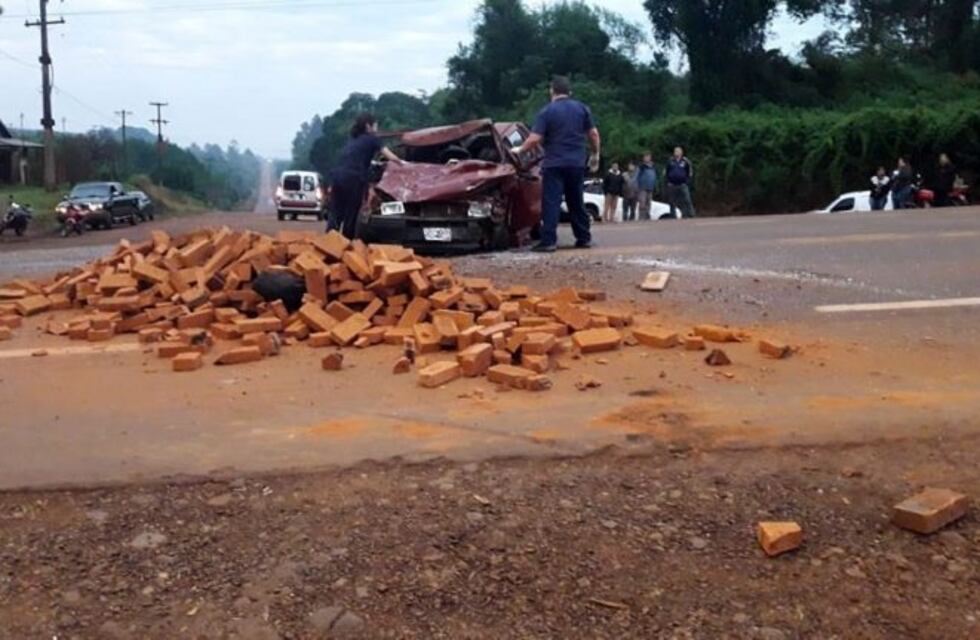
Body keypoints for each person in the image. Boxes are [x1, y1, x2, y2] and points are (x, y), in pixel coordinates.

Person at [511, 76, 601, 252]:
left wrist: (519, 150)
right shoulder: (582, 109)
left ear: (551, 91)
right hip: (576, 163)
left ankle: (549, 241)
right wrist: (595, 154)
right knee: (576, 200)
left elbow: (535, 139)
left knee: (551, 202)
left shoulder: (547, 112)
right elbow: (594, 134)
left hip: (554, 164)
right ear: (569, 92)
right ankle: (583, 238)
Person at [328, 113, 401, 238]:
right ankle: (346, 246)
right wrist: (404, 163)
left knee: (336, 213)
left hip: (337, 177)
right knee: (351, 214)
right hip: (353, 178)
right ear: (368, 126)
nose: (377, 127)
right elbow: (391, 157)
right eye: (376, 124)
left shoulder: (352, 140)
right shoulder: (373, 139)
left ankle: (328, 244)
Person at [665, 146, 695, 218]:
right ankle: (673, 215)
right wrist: (668, 181)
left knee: (687, 199)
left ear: (681, 152)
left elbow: (689, 172)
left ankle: (690, 214)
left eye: (678, 151)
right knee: (672, 201)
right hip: (672, 184)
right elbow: (667, 171)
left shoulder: (685, 161)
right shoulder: (670, 161)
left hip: (682, 184)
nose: (676, 153)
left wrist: (686, 181)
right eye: (675, 151)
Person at [636, 154, 657, 221]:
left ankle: (647, 216)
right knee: (642, 202)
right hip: (642, 187)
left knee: (648, 202)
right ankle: (641, 216)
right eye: (645, 157)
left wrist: (655, 185)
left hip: (650, 187)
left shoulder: (653, 166)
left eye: (648, 157)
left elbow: (655, 176)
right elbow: (637, 176)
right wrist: (637, 185)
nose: (647, 158)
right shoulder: (641, 167)